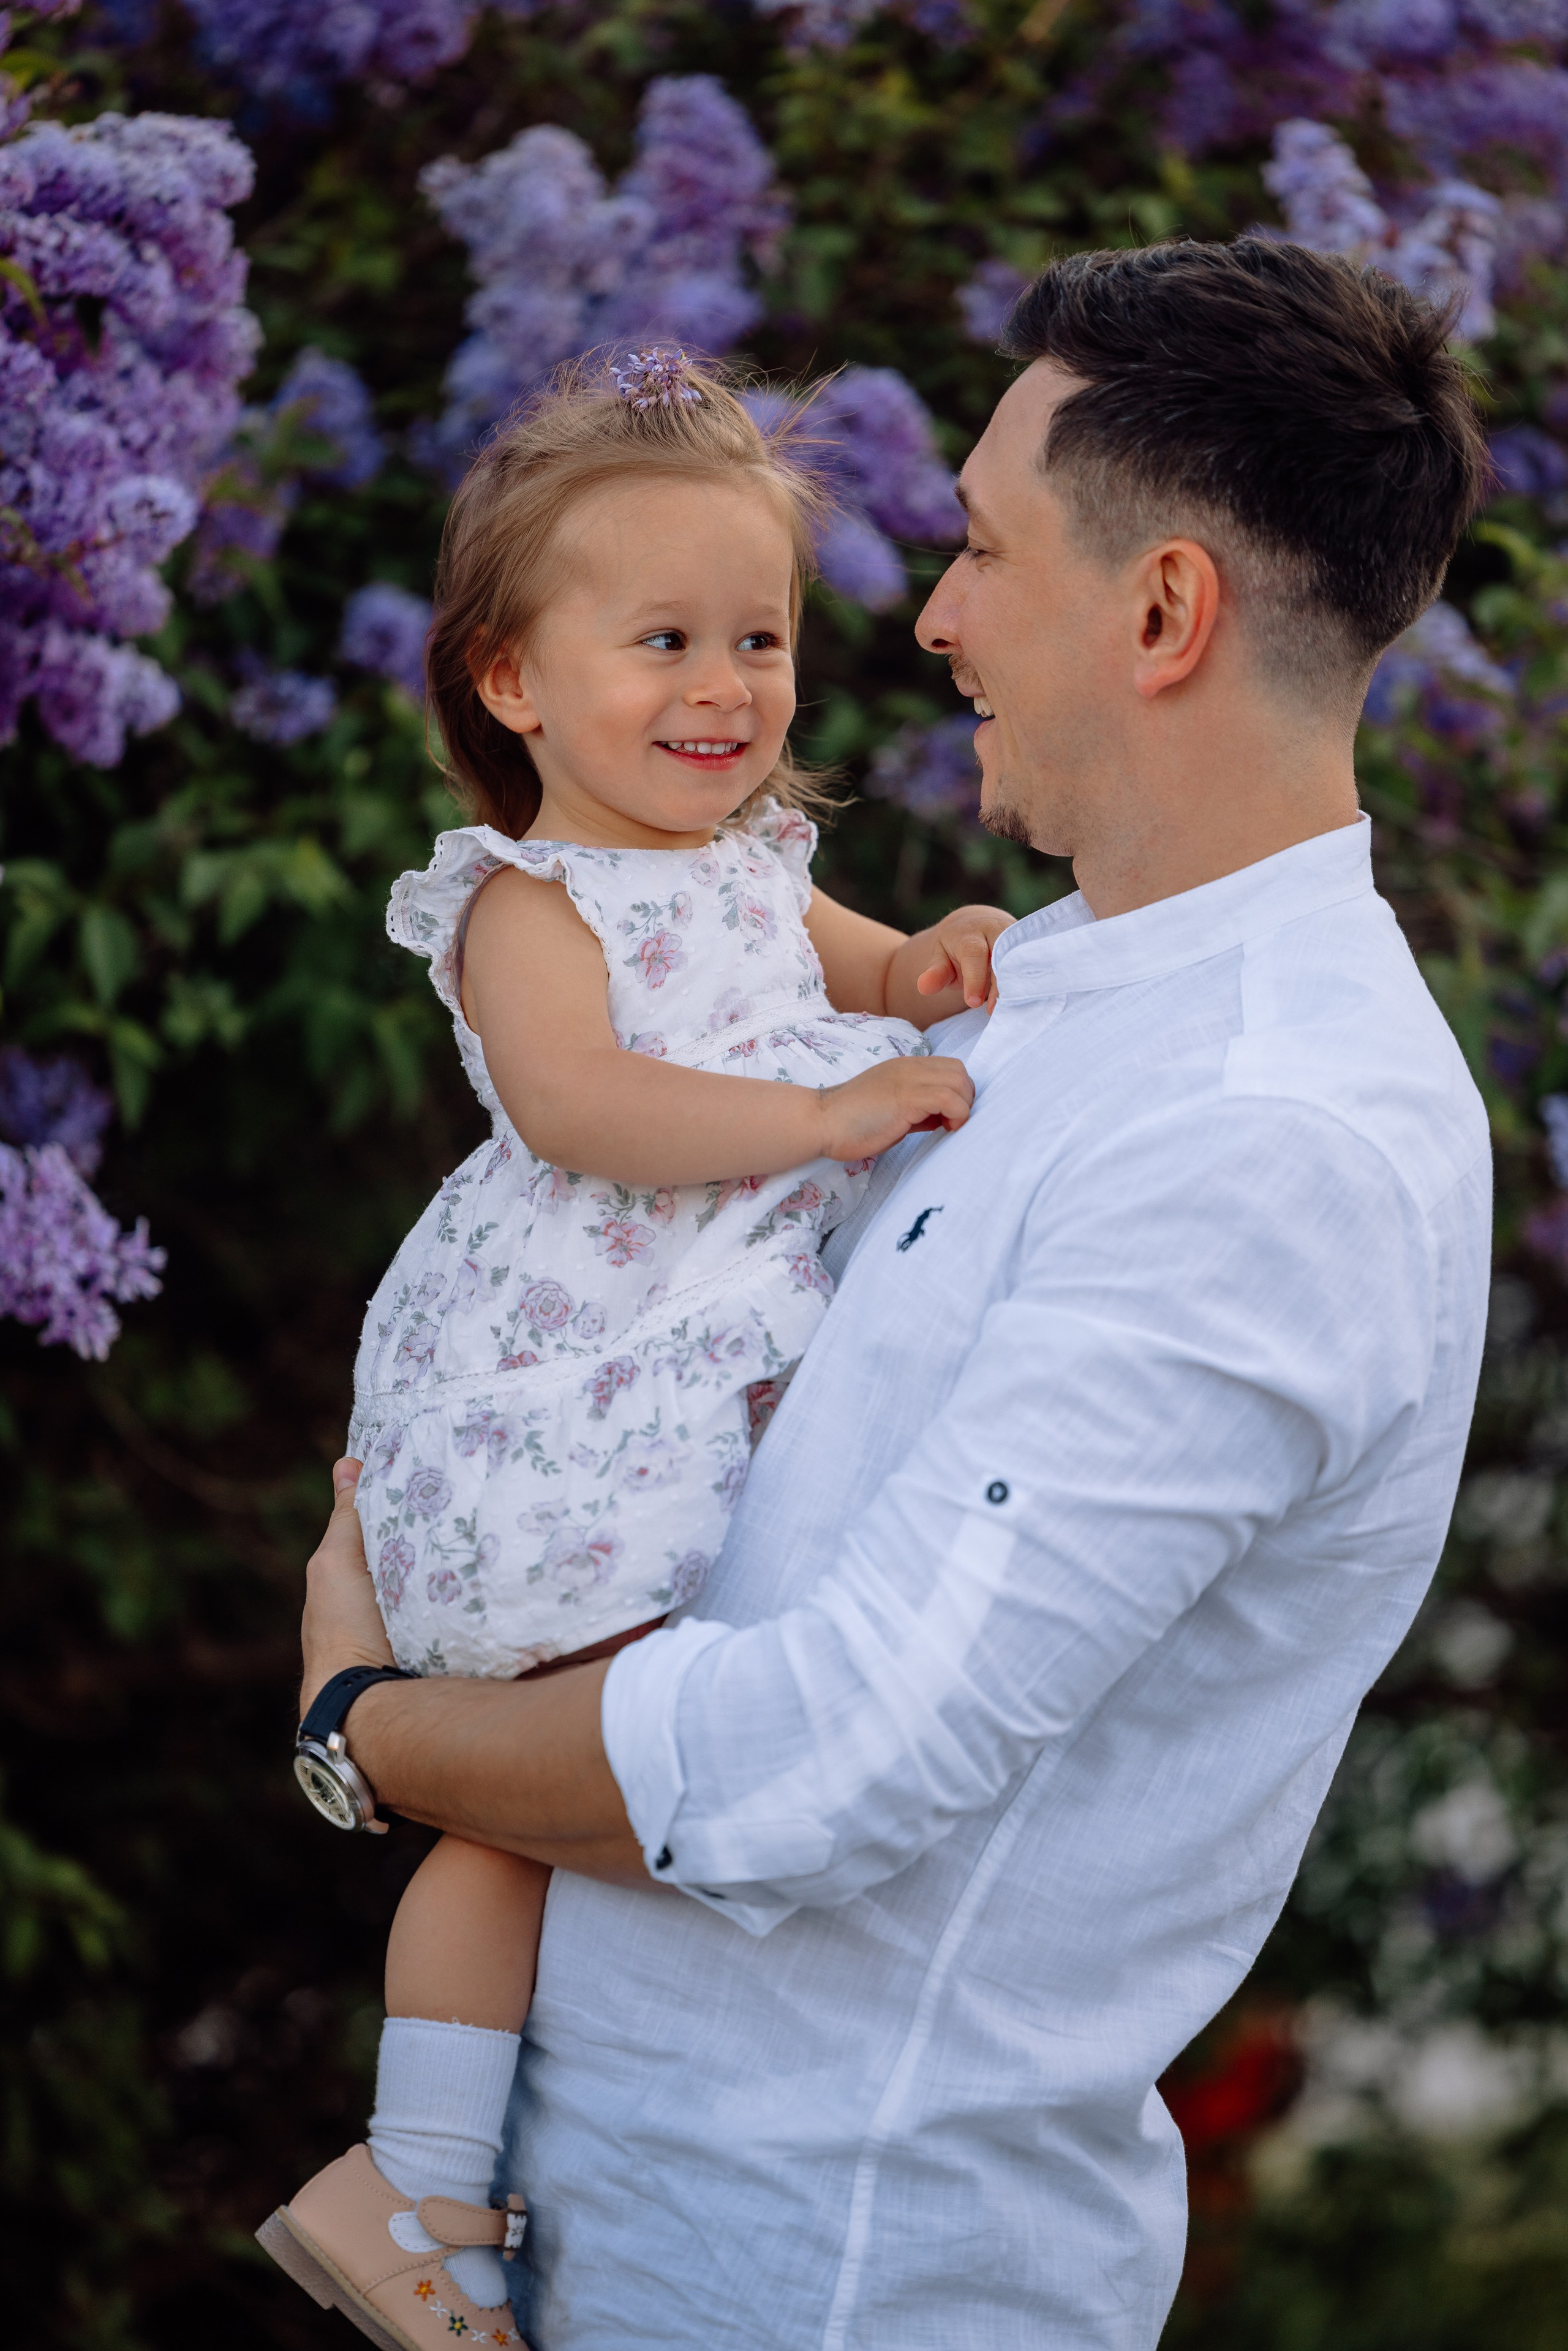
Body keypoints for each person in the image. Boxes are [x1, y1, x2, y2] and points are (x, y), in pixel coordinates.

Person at [284, 239, 1494, 2351]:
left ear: (1164, 610)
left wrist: (364, 1729)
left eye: (979, 547)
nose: (928, 619)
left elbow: (818, 1759)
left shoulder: (1271, 1141)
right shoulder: (1031, 1025)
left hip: (819, 2285)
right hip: (604, 2236)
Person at [260, 349, 1012, 2348]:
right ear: (511, 680)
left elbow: (841, 963)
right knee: (528, 1781)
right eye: (663, 638)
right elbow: (585, 1104)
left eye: (757, 637)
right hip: (553, 1389)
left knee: (567, 1787)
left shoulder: (753, 860)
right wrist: (828, 1116)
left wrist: (921, 965)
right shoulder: (528, 900)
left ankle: (441, 2182)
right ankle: (421, 2182)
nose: (724, 687)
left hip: (675, 1373)